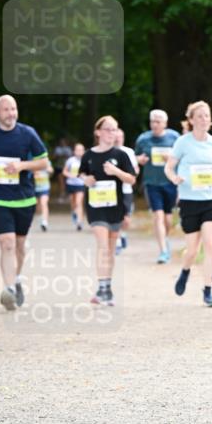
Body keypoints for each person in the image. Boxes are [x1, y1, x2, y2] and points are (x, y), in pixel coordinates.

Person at [0, 94, 49, 310]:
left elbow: (43, 161)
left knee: (20, 246)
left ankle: (16, 279)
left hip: (24, 198)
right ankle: (9, 290)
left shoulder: (27, 133)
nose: (10, 113)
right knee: (7, 243)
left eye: (13, 109)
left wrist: (22, 166)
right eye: (6, 109)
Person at [165, 101, 212, 308]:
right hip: (189, 200)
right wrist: (174, 178)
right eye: (199, 116)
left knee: (210, 244)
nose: (204, 119)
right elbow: (169, 167)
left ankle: (208, 290)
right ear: (191, 120)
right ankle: (185, 271)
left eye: (207, 115)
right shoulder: (183, 142)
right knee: (192, 249)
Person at [79, 116, 136, 305]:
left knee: (110, 249)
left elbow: (131, 179)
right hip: (95, 207)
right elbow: (82, 173)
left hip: (115, 207)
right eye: (108, 129)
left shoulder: (121, 155)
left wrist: (116, 172)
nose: (112, 133)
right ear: (98, 132)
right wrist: (85, 179)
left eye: (115, 129)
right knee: (102, 245)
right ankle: (103, 288)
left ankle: (106, 287)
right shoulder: (88, 155)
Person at [134, 109, 180, 263]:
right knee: (157, 216)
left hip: (170, 182)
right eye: (152, 121)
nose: (155, 124)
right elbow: (135, 157)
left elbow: (183, 158)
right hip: (151, 183)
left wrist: (172, 158)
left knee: (167, 218)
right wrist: (139, 159)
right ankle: (163, 251)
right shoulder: (143, 139)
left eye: (158, 121)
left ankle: (164, 239)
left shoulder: (174, 137)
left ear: (165, 123)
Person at [114, 128, 139, 253]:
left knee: (126, 219)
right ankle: (117, 243)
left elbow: (135, 169)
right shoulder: (108, 152)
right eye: (116, 136)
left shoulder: (129, 152)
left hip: (126, 189)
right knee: (116, 217)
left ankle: (123, 234)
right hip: (112, 190)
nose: (118, 139)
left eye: (120, 136)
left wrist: (130, 175)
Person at [64, 142, 85, 230]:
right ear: (74, 151)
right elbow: (64, 172)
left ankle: (79, 222)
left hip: (81, 184)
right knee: (73, 202)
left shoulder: (86, 160)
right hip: (71, 184)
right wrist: (70, 175)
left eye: (81, 150)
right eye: (77, 150)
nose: (79, 152)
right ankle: (74, 212)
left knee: (78, 202)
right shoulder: (70, 160)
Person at [34, 158, 54, 231]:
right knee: (37, 205)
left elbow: (51, 170)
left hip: (45, 187)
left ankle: (44, 222)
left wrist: (48, 169)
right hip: (35, 187)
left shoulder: (46, 161)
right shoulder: (33, 161)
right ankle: (40, 215)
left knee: (44, 203)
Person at [53, 136, 73, 201]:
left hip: (67, 168)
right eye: (61, 142)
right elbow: (54, 157)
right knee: (61, 182)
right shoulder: (57, 149)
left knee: (67, 182)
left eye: (63, 141)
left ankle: (67, 194)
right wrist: (58, 156)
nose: (62, 143)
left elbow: (71, 157)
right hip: (59, 167)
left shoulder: (68, 149)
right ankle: (62, 194)